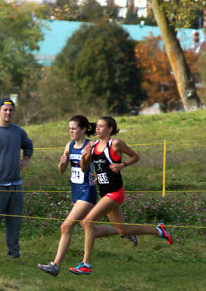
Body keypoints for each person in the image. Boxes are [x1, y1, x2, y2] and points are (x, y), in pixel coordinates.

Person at [69, 116, 173, 275]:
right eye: (96, 126)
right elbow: (84, 168)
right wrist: (84, 155)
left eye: (101, 126)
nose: (97, 129)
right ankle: (159, 231)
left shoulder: (116, 143)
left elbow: (135, 157)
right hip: (104, 192)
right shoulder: (94, 145)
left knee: (87, 222)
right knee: (123, 231)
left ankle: (86, 264)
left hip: (115, 192)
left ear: (110, 129)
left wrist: (122, 165)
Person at [38, 115, 137, 277]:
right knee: (89, 228)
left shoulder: (91, 145)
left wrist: (104, 172)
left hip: (87, 191)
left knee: (66, 226)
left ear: (83, 129)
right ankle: (124, 231)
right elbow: (62, 170)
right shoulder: (69, 145)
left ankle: (55, 265)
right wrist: (62, 164)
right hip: (75, 191)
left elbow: (97, 164)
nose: (71, 132)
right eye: (69, 129)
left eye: (74, 129)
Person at [0, 98, 33, 258]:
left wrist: (26, 159)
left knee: (15, 223)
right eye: (5, 110)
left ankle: (14, 253)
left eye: (11, 110)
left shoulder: (18, 131)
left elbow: (28, 145)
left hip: (16, 185)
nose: (8, 113)